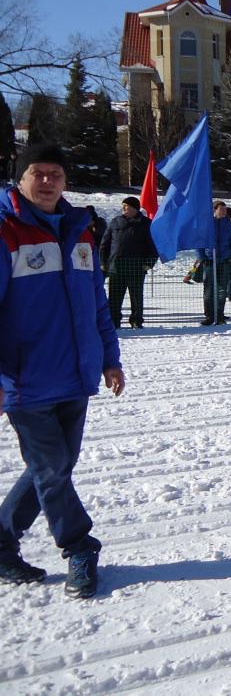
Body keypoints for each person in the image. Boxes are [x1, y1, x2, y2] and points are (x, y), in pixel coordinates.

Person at [0, 143, 125, 598]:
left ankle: (1, 541)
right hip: (26, 379)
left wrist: (110, 358)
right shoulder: (6, 231)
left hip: (77, 373)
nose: (48, 181)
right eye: (39, 173)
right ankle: (78, 547)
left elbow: (97, 304)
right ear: (21, 178)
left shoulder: (80, 231)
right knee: (52, 468)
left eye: (56, 174)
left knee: (53, 468)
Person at [99, 196, 158, 329]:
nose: (123, 208)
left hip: (136, 267)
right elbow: (104, 244)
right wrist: (103, 262)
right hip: (116, 266)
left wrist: (148, 263)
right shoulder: (115, 222)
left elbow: (153, 246)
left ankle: (136, 320)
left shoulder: (146, 224)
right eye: (123, 206)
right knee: (114, 297)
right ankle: (114, 321)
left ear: (135, 208)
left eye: (126, 206)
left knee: (136, 297)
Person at [200, 201, 231, 326]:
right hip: (210, 261)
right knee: (209, 290)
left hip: (224, 260)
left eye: (225, 209)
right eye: (221, 209)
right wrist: (202, 257)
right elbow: (199, 242)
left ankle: (219, 314)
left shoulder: (228, 225)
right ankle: (209, 316)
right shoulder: (207, 224)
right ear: (215, 210)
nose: (223, 211)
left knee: (222, 290)